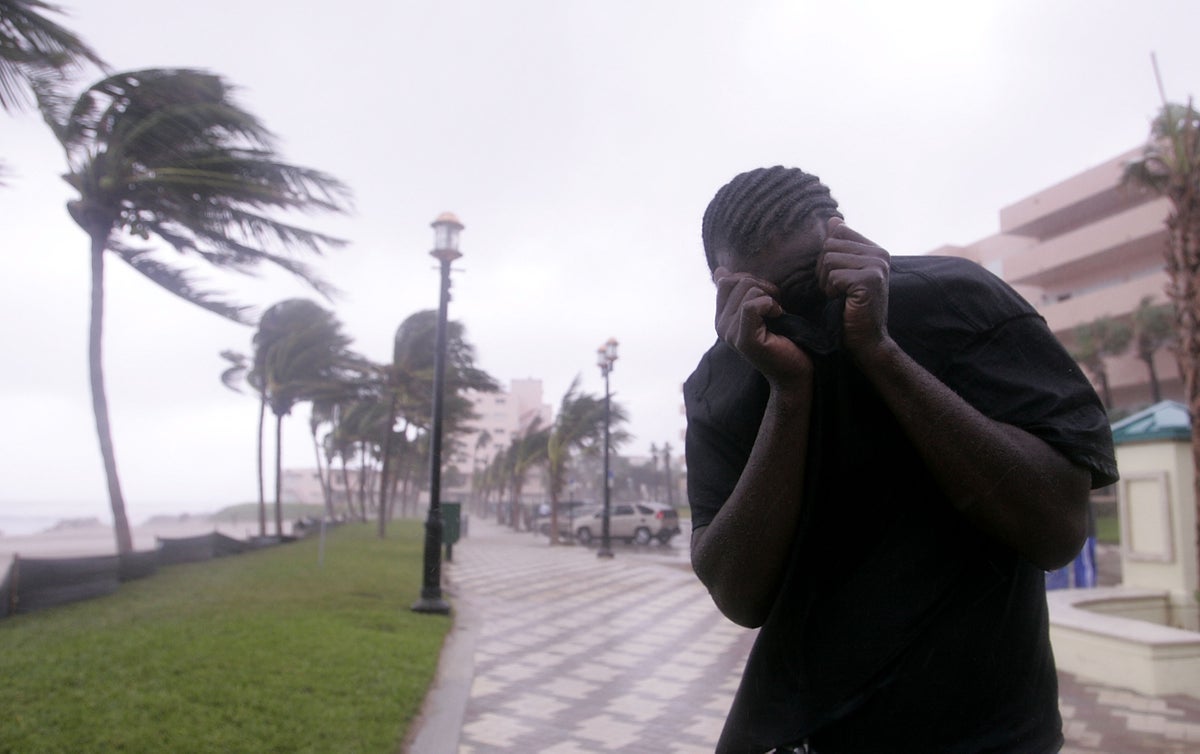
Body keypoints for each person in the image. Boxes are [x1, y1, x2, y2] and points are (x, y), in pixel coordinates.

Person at [684, 166, 1118, 753]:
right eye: (782, 301)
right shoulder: (719, 382)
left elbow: (1058, 532)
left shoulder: (958, 300)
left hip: (992, 734)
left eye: (816, 284)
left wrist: (881, 351)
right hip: (810, 735)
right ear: (725, 285)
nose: (815, 325)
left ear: (843, 235)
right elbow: (739, 596)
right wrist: (790, 391)